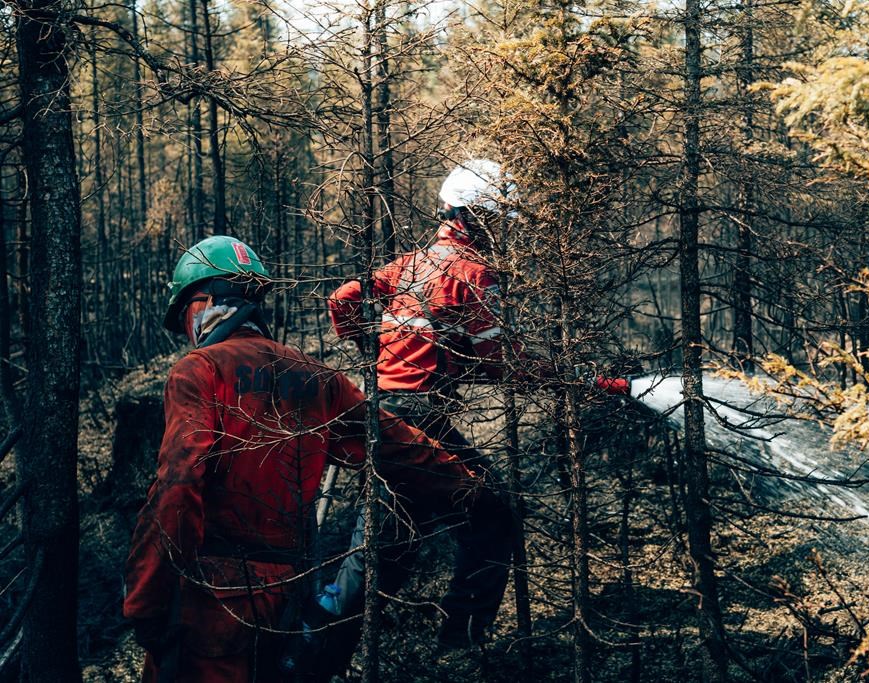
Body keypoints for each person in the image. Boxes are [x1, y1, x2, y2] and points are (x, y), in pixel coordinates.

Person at [322, 159, 632, 674]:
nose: (504, 229)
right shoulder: (471, 272)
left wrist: (368, 348)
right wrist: (586, 381)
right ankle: (457, 652)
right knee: (490, 520)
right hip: (418, 420)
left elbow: (343, 298)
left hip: (391, 414)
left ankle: (323, 652)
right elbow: (501, 360)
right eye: (499, 219)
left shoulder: (409, 263)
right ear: (474, 216)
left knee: (389, 542)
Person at [122, 235, 474, 683]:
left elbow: (176, 488)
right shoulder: (318, 377)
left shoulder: (199, 370)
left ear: (204, 301)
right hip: (286, 596)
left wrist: (145, 601)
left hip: (208, 601)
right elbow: (398, 444)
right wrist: (467, 486)